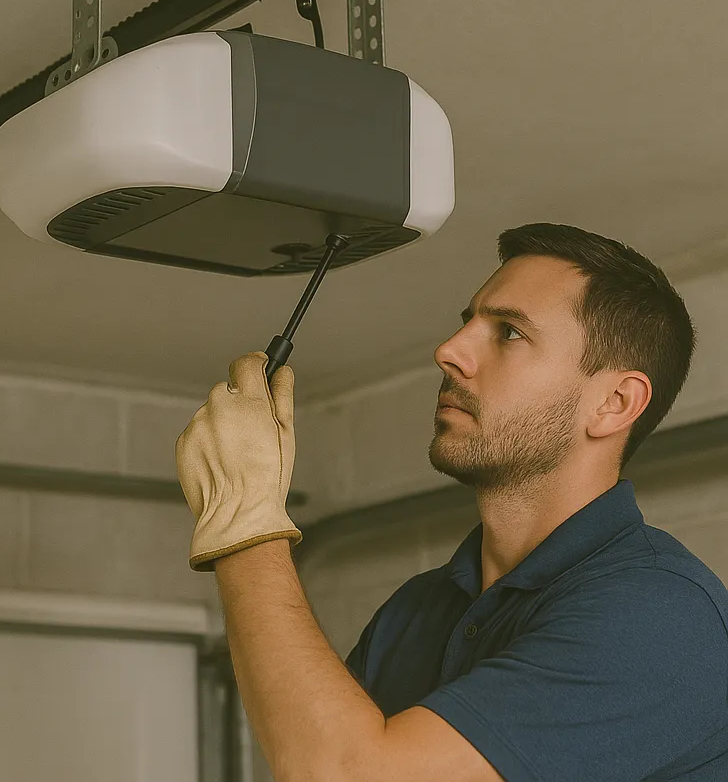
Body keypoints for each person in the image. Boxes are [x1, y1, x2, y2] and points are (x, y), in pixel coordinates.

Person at [175, 223, 728, 782]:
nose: (449, 351)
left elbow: (347, 775)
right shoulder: (417, 609)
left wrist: (245, 518)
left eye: (509, 332)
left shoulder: (660, 614)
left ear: (614, 402)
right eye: (469, 322)